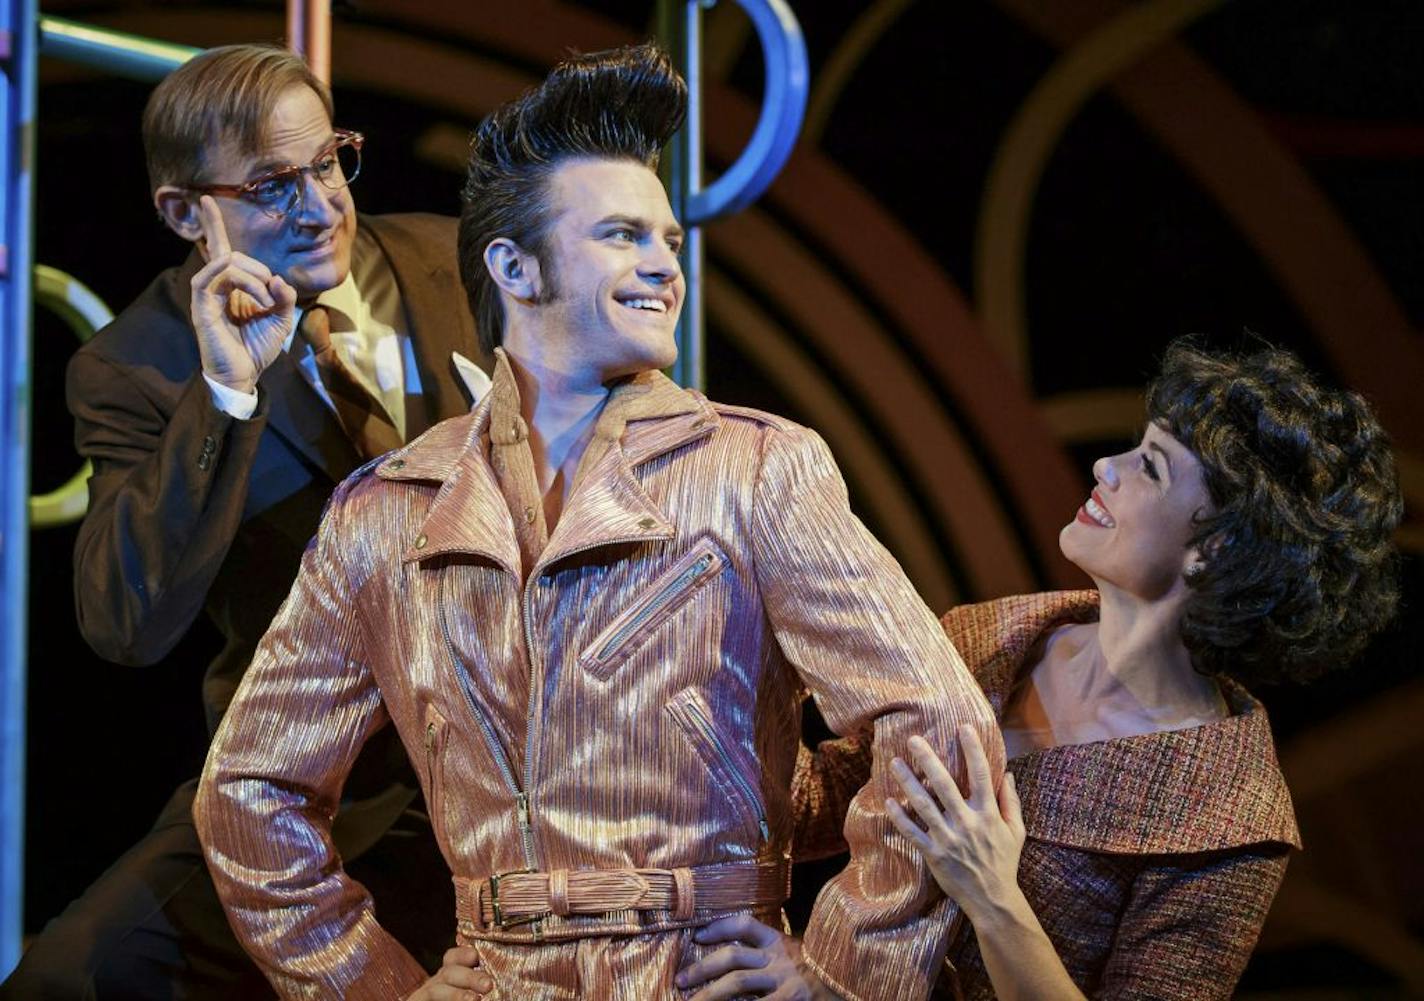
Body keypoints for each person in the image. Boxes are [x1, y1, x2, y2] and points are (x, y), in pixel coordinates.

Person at [193, 42, 1003, 1001]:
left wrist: (844, 975)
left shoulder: (757, 467)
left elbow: (938, 724)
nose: (665, 263)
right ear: (515, 267)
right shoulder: (386, 512)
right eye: (623, 235)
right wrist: (372, 990)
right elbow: (249, 793)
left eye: (669, 240)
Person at [678, 340, 1402, 1000]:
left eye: (1148, 468)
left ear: (1214, 549)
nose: (1104, 468)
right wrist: (705, 676)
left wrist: (994, 894)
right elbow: (820, 802)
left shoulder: (1227, 819)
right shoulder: (991, 637)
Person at [2, 44, 485, 1000]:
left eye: (327, 163)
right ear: (186, 213)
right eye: (272, 185)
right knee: (68, 982)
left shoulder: (459, 260)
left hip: (517, 768)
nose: (320, 206)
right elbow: (124, 622)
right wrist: (225, 390)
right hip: (312, 796)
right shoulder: (135, 363)